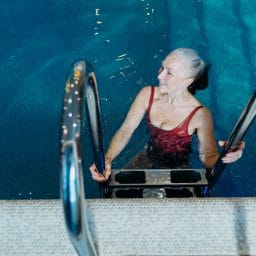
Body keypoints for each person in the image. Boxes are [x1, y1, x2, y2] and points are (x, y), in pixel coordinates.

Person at [89, 48, 245, 183]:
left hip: (178, 166)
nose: (159, 76)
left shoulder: (200, 115)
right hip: (148, 155)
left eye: (169, 72)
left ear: (187, 81)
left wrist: (227, 156)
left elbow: (208, 158)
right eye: (161, 68)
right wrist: (107, 159)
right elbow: (125, 131)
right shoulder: (147, 94)